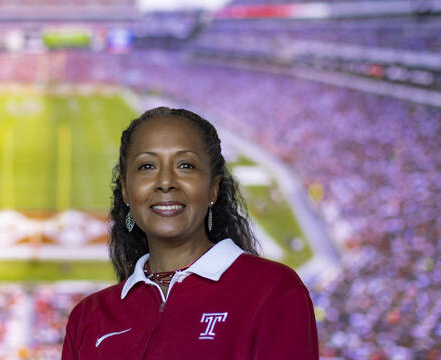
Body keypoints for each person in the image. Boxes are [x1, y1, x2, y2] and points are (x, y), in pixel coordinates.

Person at [62, 107, 318, 359]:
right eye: (147, 166)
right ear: (126, 191)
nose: (165, 182)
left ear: (213, 189)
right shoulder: (88, 316)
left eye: (185, 165)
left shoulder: (273, 291)